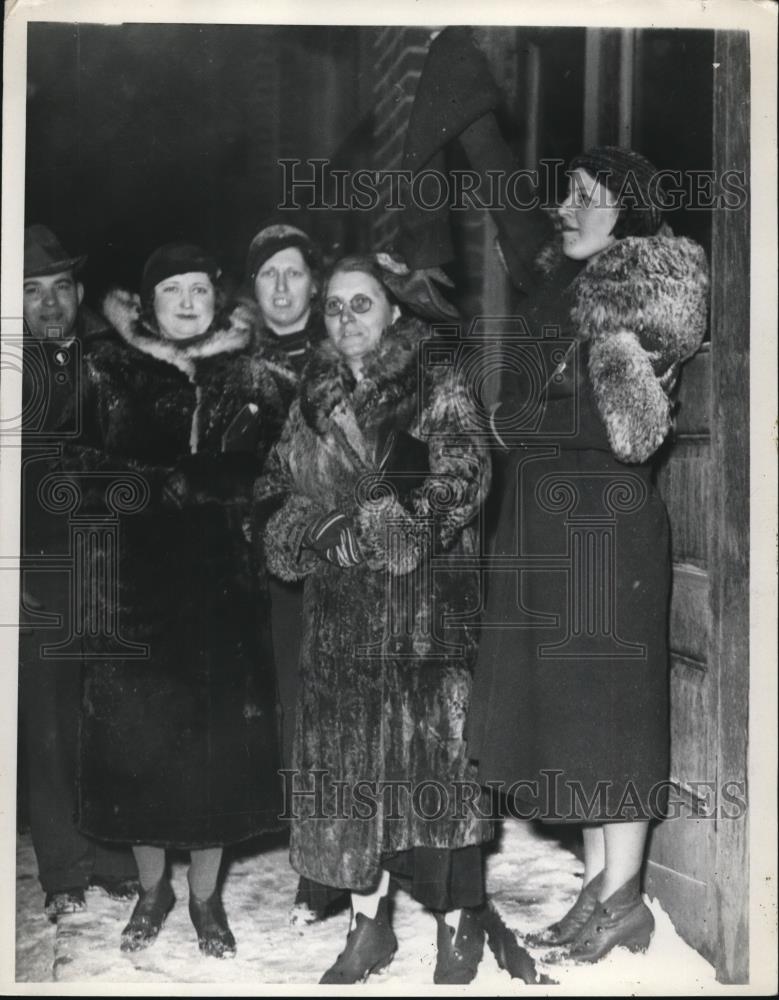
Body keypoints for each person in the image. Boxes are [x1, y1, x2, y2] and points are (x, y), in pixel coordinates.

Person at [400, 27, 710, 964]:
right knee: (572, 720)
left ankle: (623, 901)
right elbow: (507, 209)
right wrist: (468, 112)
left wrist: (613, 356)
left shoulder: (643, 299)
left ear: (630, 219)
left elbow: (634, 434)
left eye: (586, 198)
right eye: (568, 192)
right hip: (542, 523)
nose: (566, 209)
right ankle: (598, 889)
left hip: (603, 531)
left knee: (611, 718)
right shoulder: (559, 284)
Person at [258, 252, 493, 984]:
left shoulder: (433, 382)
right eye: (333, 307)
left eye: (362, 304)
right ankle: (368, 929)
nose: (345, 319)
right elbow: (270, 486)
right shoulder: (314, 395)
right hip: (339, 622)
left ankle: (459, 929)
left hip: (422, 612)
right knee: (350, 775)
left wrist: (396, 521)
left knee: (436, 774)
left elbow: (465, 475)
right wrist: (318, 528)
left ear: (393, 310)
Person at [58, 242, 295, 957]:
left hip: (222, 595)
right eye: (171, 291)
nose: (188, 302)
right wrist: (160, 484)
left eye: (199, 289)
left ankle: (203, 902)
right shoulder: (106, 368)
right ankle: (152, 890)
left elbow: (279, 473)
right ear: (147, 301)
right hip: (134, 589)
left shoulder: (256, 375)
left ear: (217, 298)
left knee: (211, 757)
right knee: (140, 749)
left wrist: (241, 496)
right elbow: (73, 463)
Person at [18, 224, 138, 919]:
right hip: (39, 570)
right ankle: (63, 870)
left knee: (112, 712)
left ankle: (116, 856)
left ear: (81, 293)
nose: (51, 304)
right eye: (33, 291)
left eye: (61, 287)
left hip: (111, 566)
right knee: (51, 720)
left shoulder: (109, 362)